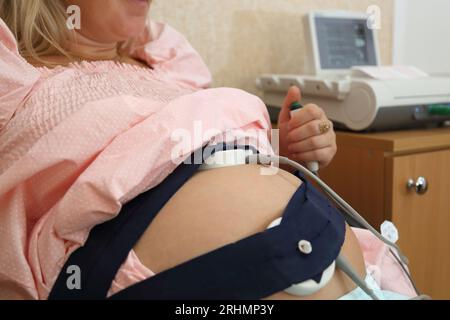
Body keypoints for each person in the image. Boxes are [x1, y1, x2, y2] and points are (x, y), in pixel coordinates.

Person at [0, 0, 414, 300]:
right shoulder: (15, 81)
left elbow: (206, 155)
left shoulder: (168, 67)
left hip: (360, 280)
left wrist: (284, 146)